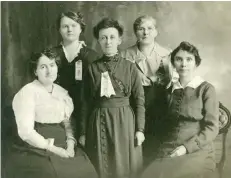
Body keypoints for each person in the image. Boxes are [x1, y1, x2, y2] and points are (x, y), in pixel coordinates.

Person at [3, 49, 97, 178]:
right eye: (43, 67)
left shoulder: (62, 92)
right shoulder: (28, 92)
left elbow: (67, 123)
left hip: (63, 141)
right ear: (35, 71)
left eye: (52, 65)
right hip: (36, 145)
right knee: (51, 172)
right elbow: (26, 132)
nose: (49, 70)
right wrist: (55, 149)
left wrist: (70, 144)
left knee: (87, 169)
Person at [141, 41, 219, 178]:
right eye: (179, 59)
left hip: (196, 149)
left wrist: (186, 148)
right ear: (173, 64)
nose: (183, 64)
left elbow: (212, 128)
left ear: (196, 63)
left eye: (189, 59)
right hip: (169, 146)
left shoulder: (206, 89)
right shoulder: (170, 89)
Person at [79, 18, 145, 178]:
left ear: (119, 40)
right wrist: (82, 132)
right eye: (103, 37)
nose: (108, 42)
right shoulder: (92, 68)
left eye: (112, 37)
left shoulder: (130, 67)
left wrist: (140, 129)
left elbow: (139, 100)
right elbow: (85, 102)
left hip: (124, 121)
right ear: (98, 41)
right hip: (98, 119)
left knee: (124, 166)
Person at [121, 15, 177, 166]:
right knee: (136, 144)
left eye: (149, 28)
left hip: (159, 104)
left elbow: (174, 84)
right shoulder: (124, 55)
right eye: (141, 29)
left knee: (156, 143)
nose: (145, 33)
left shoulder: (168, 54)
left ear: (156, 32)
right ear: (135, 32)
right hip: (134, 103)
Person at [53, 11, 99, 139]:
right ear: (59, 30)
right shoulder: (52, 54)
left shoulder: (92, 56)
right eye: (65, 26)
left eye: (73, 25)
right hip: (58, 109)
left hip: (87, 110)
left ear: (81, 28)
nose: (69, 29)